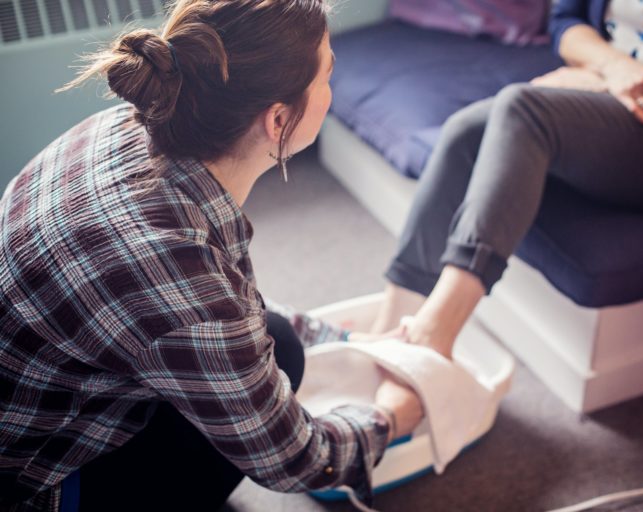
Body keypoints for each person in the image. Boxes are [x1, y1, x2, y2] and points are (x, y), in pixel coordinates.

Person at [0, 1, 423, 511]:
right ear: (279, 119)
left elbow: (230, 311)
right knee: (279, 360)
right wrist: (392, 415)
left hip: (36, 408)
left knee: (280, 340)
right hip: (31, 487)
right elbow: (297, 460)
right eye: (328, 75)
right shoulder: (176, 273)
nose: (334, 90)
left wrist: (349, 340)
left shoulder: (122, 126)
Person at [360, 0, 643, 358]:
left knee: (523, 108)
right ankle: (391, 324)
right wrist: (614, 67)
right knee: (467, 129)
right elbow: (566, 20)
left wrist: (618, 81)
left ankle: (436, 333)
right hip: (609, 94)